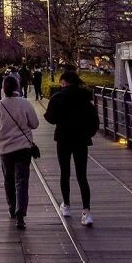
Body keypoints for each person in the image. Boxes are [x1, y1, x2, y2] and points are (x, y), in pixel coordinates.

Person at [44, 70, 99, 228]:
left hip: (63, 138)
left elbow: (50, 118)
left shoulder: (58, 97)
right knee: (82, 176)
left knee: (65, 172)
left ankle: (66, 205)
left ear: (64, 82)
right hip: (81, 139)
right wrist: (88, 132)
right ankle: (86, 212)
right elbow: (94, 120)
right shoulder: (85, 97)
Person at [0, 75, 39, 230]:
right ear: (17, 87)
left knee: (9, 180)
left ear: (3, 88)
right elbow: (34, 124)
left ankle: (12, 207)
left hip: (5, 149)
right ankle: (20, 215)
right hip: (23, 148)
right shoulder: (25, 103)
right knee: (22, 182)